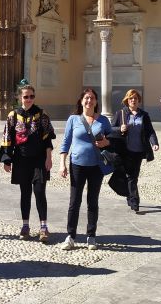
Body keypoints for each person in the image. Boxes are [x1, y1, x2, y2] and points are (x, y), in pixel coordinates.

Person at [0, 84, 56, 243]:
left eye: (32, 96)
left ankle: (43, 226)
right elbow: (7, 138)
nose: (29, 99)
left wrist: (49, 157)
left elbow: (47, 139)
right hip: (21, 159)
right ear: (19, 98)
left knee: (39, 191)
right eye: (26, 96)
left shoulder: (42, 114)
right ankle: (25, 225)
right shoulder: (13, 115)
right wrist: (6, 159)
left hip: (39, 159)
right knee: (25, 193)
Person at [59, 88, 112, 250]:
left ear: (96, 102)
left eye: (92, 98)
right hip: (77, 165)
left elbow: (112, 139)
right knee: (74, 202)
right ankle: (70, 236)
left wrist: (106, 143)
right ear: (81, 101)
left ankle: (91, 236)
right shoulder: (73, 119)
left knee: (92, 201)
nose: (89, 101)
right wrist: (62, 163)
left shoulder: (103, 120)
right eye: (86, 98)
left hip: (96, 165)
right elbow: (66, 142)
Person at [111, 89, 159, 213]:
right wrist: (119, 129)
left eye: (135, 98)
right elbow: (110, 130)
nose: (133, 100)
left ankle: (132, 198)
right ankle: (132, 198)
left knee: (133, 176)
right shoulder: (120, 113)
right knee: (127, 176)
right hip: (124, 150)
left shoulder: (144, 115)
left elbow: (150, 131)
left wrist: (154, 143)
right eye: (131, 98)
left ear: (139, 101)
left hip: (138, 150)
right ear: (127, 100)